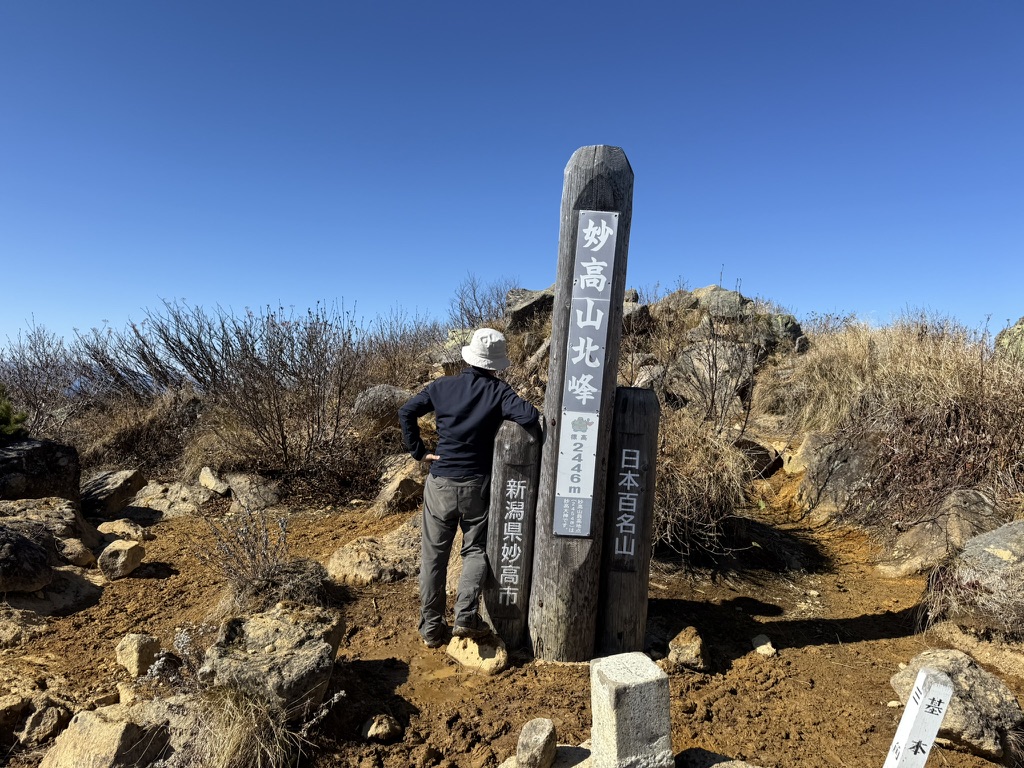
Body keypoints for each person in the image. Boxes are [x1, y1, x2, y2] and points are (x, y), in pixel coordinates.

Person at [399, 327, 540, 648]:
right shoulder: (499, 392)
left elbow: (406, 410)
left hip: (440, 483)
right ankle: (465, 616)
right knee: (475, 550)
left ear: (469, 355)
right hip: (477, 484)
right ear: (496, 364)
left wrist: (419, 451)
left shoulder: (442, 386)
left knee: (434, 557)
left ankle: (432, 630)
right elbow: (529, 416)